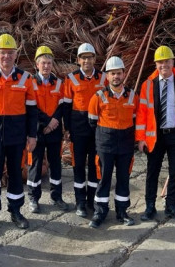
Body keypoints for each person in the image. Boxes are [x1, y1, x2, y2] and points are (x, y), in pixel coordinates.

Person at [0, 34, 38, 233]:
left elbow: (32, 110)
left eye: (10, 53)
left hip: (17, 135)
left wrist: (32, 135)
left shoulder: (26, 78)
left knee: (15, 173)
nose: (6, 56)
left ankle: (15, 211)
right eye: (2, 53)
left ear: (16, 54)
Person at [136, 45, 175, 221]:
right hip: (155, 136)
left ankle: (172, 206)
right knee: (152, 172)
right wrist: (140, 139)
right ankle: (150, 207)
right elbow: (141, 113)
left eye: (167, 61)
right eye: (160, 62)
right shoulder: (148, 85)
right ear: (156, 64)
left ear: (173, 62)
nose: (164, 65)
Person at [87, 56, 138, 228]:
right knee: (104, 178)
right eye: (112, 73)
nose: (116, 76)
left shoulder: (132, 96)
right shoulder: (98, 96)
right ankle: (100, 212)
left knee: (123, 178)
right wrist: (105, 135)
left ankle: (122, 212)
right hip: (105, 143)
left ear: (124, 74)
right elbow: (92, 121)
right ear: (107, 76)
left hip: (125, 143)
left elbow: (135, 118)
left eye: (119, 73)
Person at [63, 43, 107, 218]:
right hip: (78, 129)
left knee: (95, 166)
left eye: (90, 57)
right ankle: (80, 202)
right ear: (78, 60)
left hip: (98, 130)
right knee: (78, 165)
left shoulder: (104, 79)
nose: (87, 61)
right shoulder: (71, 79)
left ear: (95, 59)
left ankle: (92, 200)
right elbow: (66, 106)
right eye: (83, 57)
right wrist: (67, 129)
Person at [27, 46, 69, 213]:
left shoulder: (59, 84)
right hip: (37, 131)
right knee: (35, 165)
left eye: (49, 63)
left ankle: (56, 196)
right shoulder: (30, 83)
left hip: (54, 131)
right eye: (43, 63)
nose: (46, 66)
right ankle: (33, 198)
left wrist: (54, 122)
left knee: (56, 164)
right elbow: (31, 108)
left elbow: (62, 106)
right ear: (37, 64)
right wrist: (46, 123)